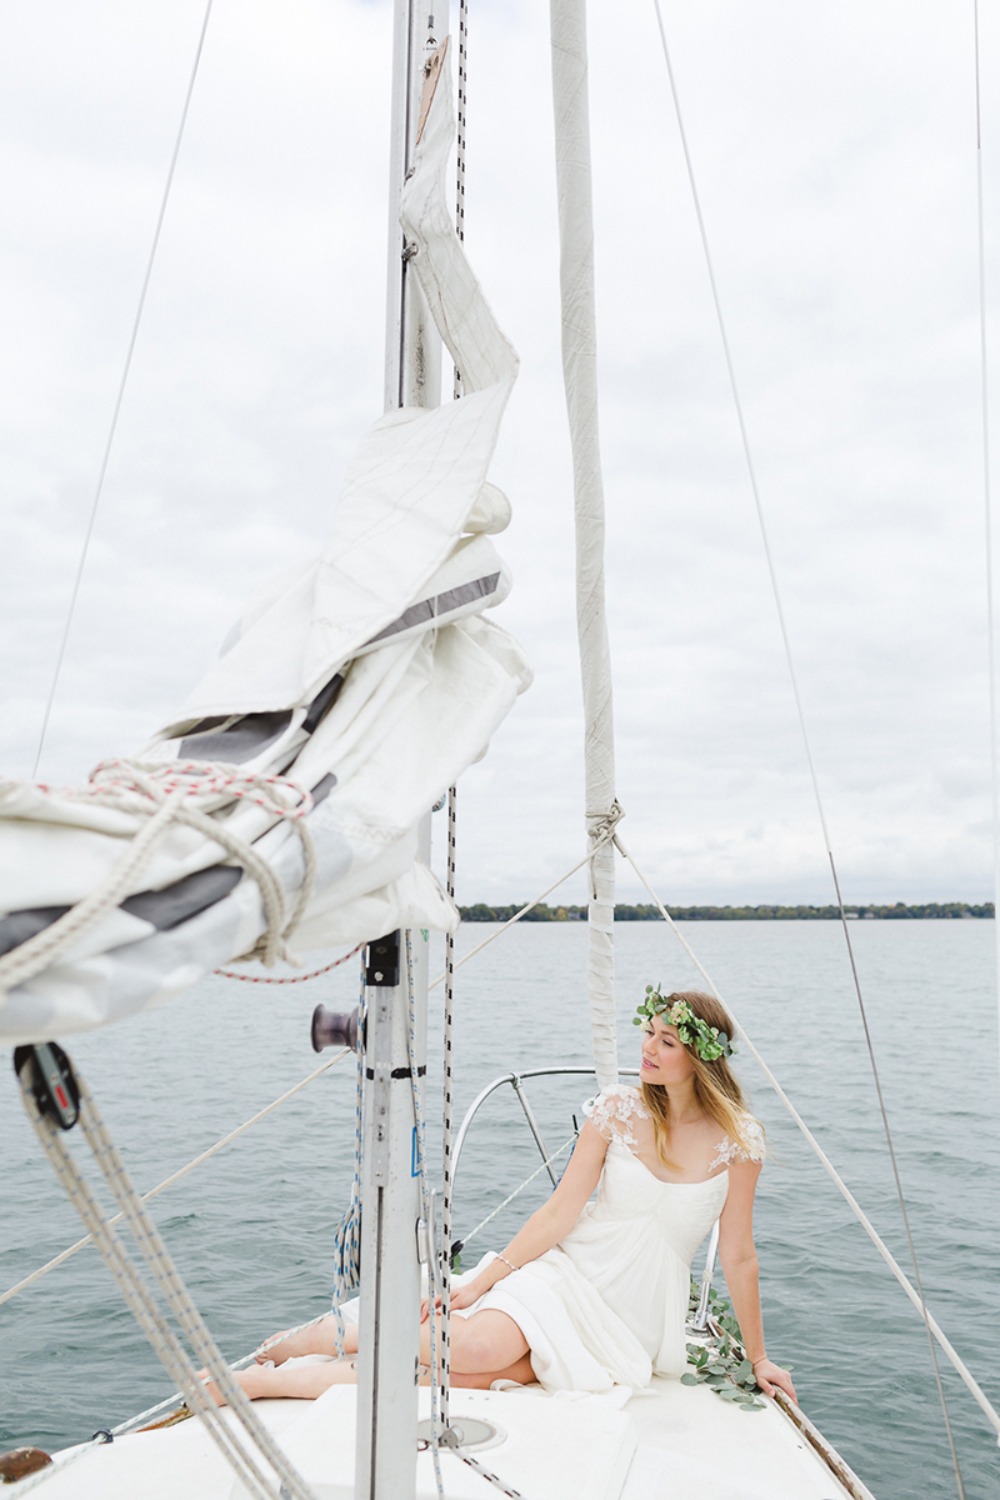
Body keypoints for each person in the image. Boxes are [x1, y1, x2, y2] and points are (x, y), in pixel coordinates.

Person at [209, 987, 797, 1405]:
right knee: (476, 1345)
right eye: (647, 1032)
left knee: (464, 1379)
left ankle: (272, 1384)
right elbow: (560, 1210)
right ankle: (296, 1348)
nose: (647, 1048)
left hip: (634, 1318)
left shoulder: (740, 1142)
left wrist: (758, 1357)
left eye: (666, 1041)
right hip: (569, 1275)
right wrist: (477, 1285)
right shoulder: (618, 1109)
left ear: (699, 1057)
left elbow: (739, 1254)